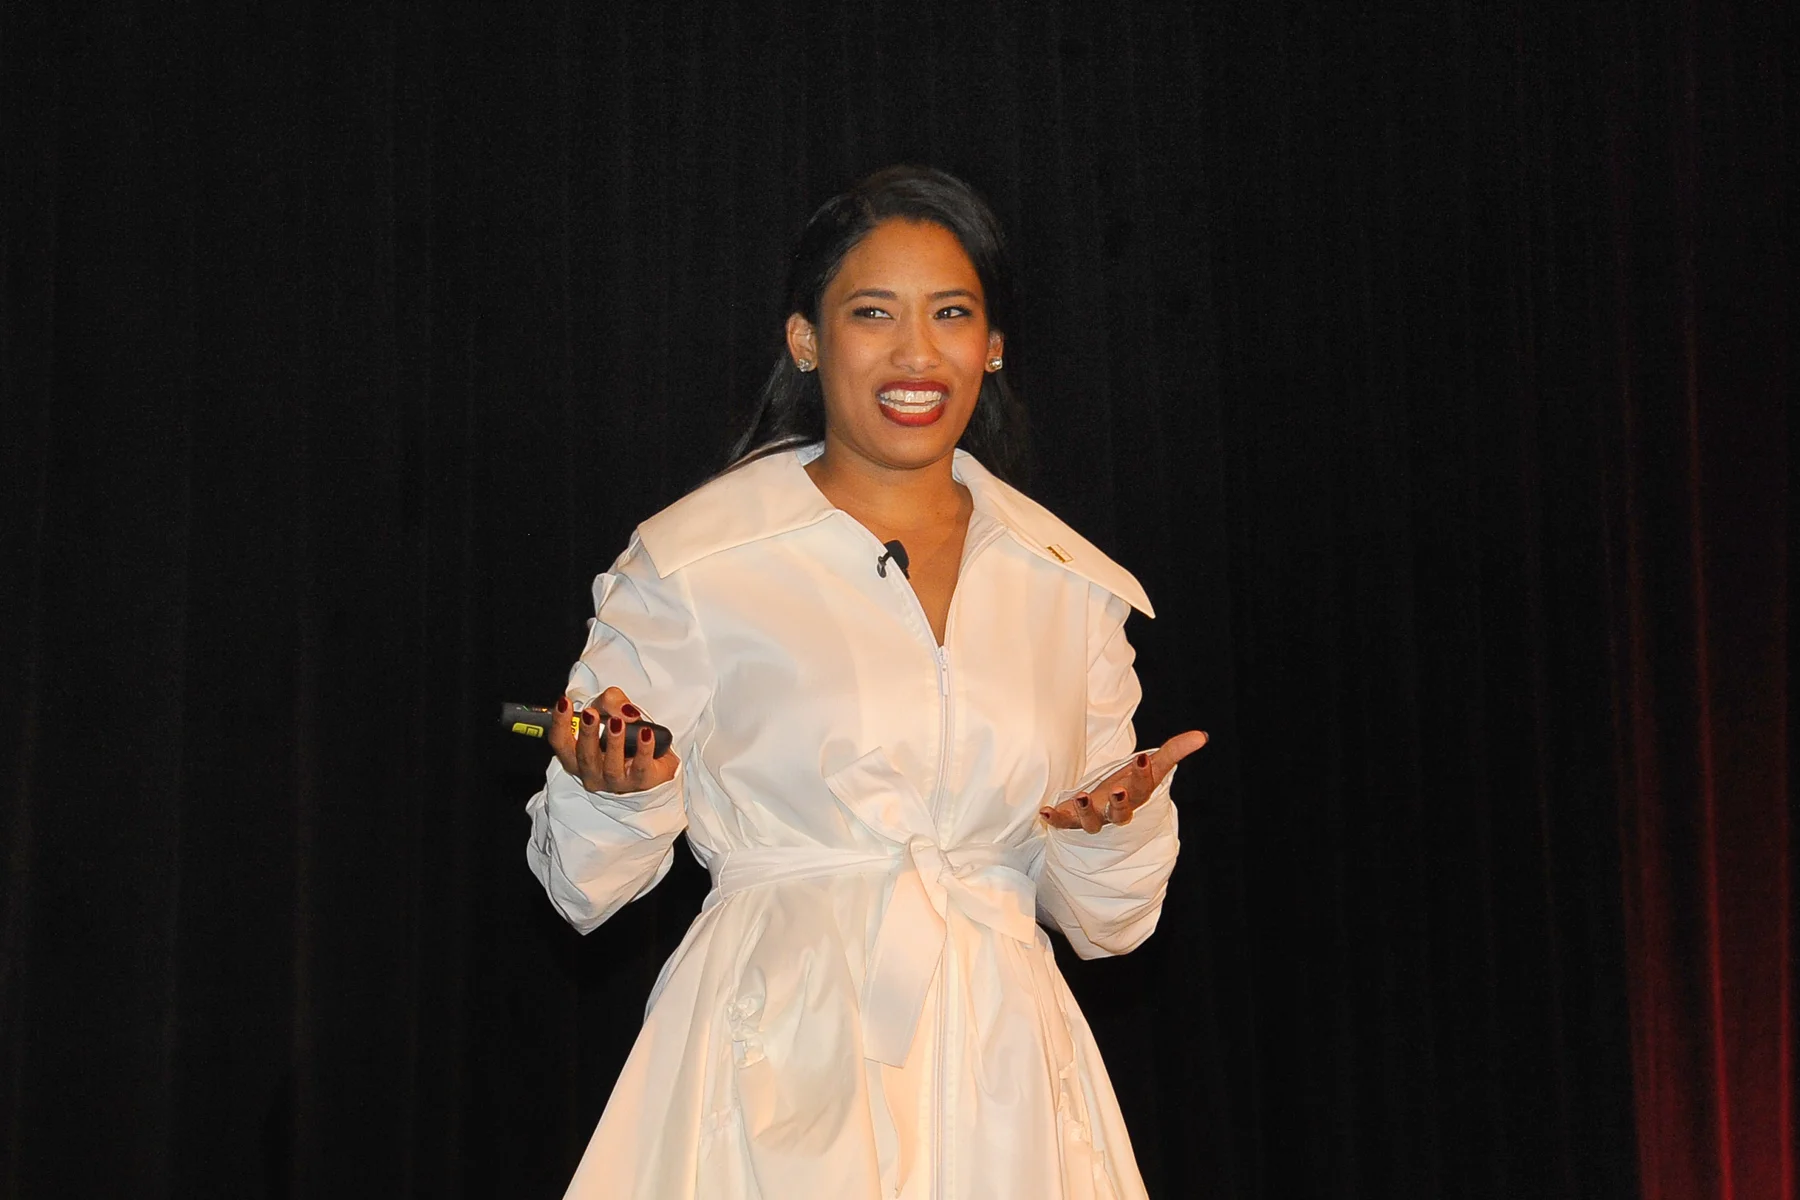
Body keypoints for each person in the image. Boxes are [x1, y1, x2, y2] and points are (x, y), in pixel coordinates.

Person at [525, 165, 1208, 1199]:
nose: (916, 353)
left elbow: (1108, 925)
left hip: (1006, 1076)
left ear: (993, 345)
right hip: (776, 1058)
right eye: (873, 313)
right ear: (806, 339)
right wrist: (616, 791)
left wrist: (1108, 829)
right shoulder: (695, 560)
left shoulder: (1069, 584)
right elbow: (579, 883)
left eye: (951, 314)